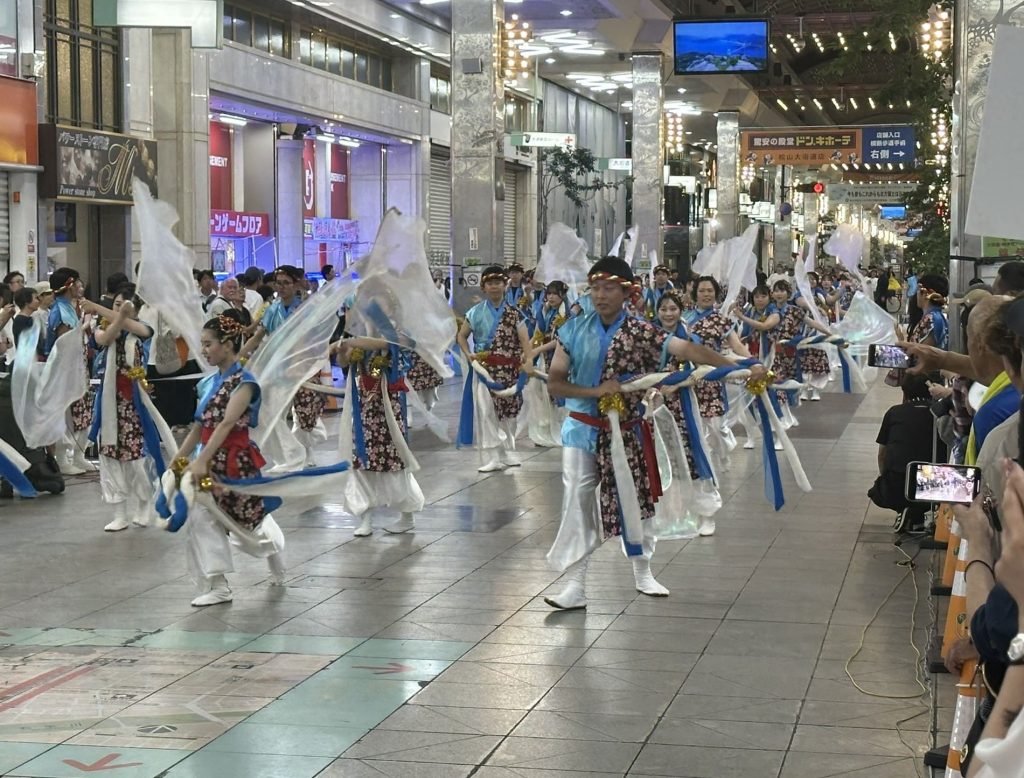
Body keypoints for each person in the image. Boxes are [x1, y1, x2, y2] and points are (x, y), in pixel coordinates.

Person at [543, 256, 767, 608]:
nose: (600, 296)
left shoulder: (642, 332)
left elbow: (689, 351)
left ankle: (642, 571)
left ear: (628, 292)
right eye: (596, 288)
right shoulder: (572, 330)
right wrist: (595, 393)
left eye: (609, 288)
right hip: (581, 432)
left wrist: (743, 366)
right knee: (577, 504)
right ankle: (575, 584)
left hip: (629, 431)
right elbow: (555, 385)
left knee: (636, 503)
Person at [170, 312, 286, 606]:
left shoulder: (245, 383)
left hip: (235, 462)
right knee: (202, 517)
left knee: (250, 522)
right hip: (210, 460)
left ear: (227, 344)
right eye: (203, 344)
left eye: (209, 344)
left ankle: (275, 556)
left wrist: (200, 461)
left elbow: (225, 424)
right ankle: (218, 584)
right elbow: (200, 426)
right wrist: (179, 458)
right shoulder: (212, 382)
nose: (204, 350)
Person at [332, 335, 424, 537]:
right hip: (364, 408)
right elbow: (343, 362)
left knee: (394, 463)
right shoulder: (359, 337)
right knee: (361, 462)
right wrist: (341, 350)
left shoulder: (396, 331)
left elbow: (386, 343)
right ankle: (365, 518)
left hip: (389, 407)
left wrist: (349, 342)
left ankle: (407, 515)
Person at [89, 284, 158, 532]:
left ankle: (143, 504)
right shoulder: (101, 329)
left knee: (136, 457)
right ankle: (119, 512)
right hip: (109, 402)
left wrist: (102, 308)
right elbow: (107, 338)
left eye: (127, 306)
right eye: (116, 304)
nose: (120, 310)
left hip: (134, 403)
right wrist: (118, 314)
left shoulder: (142, 329)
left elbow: (133, 327)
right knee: (109, 454)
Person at [654, 291, 721, 536]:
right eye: (664, 309)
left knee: (693, 457)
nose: (668, 313)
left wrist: (680, 383)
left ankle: (706, 513)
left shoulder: (689, 338)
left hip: (682, 407)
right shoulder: (648, 337)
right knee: (661, 459)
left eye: (673, 309)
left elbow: (703, 368)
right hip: (654, 407)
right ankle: (668, 515)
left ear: (681, 311)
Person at [248, 265, 327, 468]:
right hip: (278, 368)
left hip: (302, 367)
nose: (281, 287)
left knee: (306, 411)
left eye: (286, 283)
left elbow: (310, 339)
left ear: (295, 284)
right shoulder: (273, 309)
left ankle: (307, 450)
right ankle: (286, 453)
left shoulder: (304, 308)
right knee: (274, 411)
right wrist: (240, 357)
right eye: (278, 283)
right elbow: (258, 336)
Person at [457, 265, 531, 472]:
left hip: (510, 370)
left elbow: (525, 340)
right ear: (484, 287)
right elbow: (461, 336)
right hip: (485, 370)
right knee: (487, 411)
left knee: (510, 413)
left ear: (505, 285)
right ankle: (492, 456)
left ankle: (507, 451)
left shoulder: (515, 313)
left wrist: (528, 360)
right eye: (490, 283)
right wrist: (467, 353)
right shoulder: (475, 312)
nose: (494, 287)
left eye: (498, 283)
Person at [868, 374, 943, 534]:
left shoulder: (894, 413)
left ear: (904, 392)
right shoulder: (940, 414)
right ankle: (920, 512)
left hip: (899, 483)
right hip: (934, 485)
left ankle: (906, 509)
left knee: (878, 491)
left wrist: (885, 478)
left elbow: (882, 453)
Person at [686, 276, 750, 462]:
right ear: (695, 293)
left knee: (713, 422)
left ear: (716, 294)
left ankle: (718, 452)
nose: (706, 294)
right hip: (689, 377)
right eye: (702, 291)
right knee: (694, 421)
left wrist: (753, 362)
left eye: (710, 291)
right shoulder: (684, 318)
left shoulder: (721, 321)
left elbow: (737, 346)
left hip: (712, 376)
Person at [45, 267, 94, 475]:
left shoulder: (72, 307)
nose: (80, 287)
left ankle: (79, 455)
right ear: (69, 285)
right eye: (78, 283)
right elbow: (64, 344)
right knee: (66, 414)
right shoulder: (60, 310)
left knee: (82, 413)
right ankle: (63, 457)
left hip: (78, 366)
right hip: (65, 369)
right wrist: (84, 327)